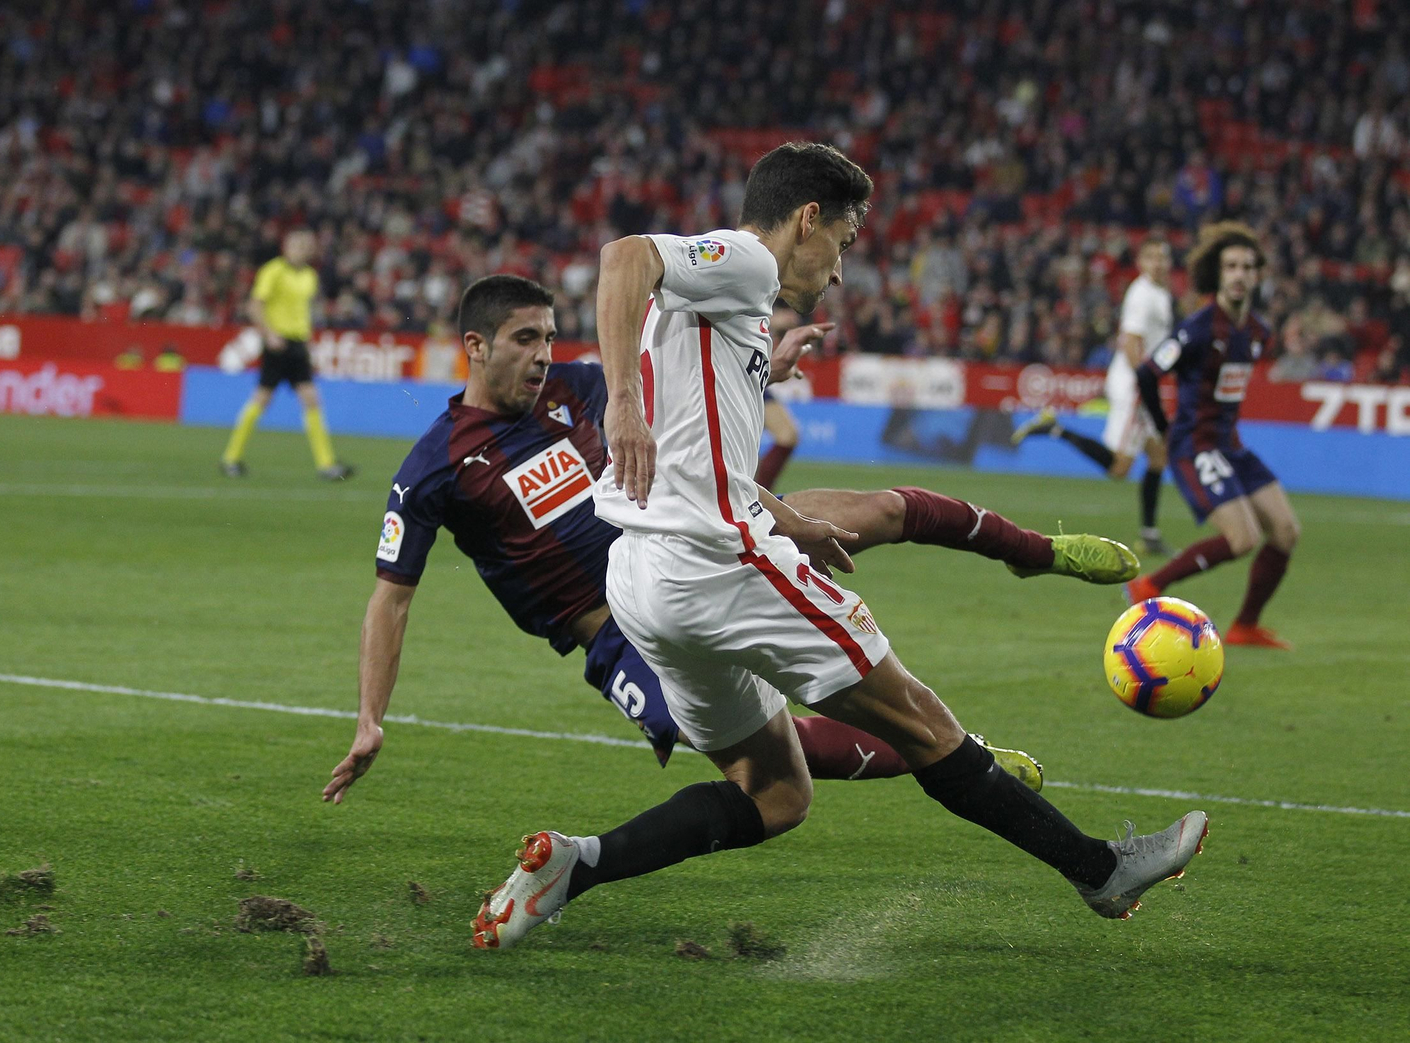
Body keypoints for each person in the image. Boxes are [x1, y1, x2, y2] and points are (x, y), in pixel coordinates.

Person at [472, 142, 1205, 951]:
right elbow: (622, 257)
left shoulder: (726, 309)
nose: (842, 270)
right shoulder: (748, 260)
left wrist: (786, 508)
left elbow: (703, 452)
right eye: (845, 243)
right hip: (716, 570)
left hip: (641, 583)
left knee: (776, 792)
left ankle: (576, 866)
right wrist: (621, 407)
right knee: (925, 726)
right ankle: (1100, 870)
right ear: (807, 219)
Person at [323, 273, 1141, 810]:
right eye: (524, 341)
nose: (544, 357)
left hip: (702, 529)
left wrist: (764, 368)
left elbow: (684, 407)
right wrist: (370, 719)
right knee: (778, 761)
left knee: (884, 510)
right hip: (615, 630)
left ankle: (1038, 554)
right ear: (475, 348)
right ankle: (963, 755)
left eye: (548, 336)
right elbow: (390, 600)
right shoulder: (435, 466)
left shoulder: (581, 388)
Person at [1126, 222, 1299, 649]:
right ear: (1218, 275)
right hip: (1194, 445)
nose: (1239, 274)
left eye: (1247, 266)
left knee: (1287, 531)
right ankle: (1149, 584)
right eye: (1231, 266)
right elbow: (1148, 373)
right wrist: (1165, 430)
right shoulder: (1199, 328)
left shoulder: (1257, 332)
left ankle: (1245, 626)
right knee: (1243, 539)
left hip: (1231, 445)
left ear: (1257, 274)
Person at [1011, 238, 1178, 554]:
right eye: (1152, 257)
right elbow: (1130, 344)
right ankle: (1054, 428)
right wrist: (1145, 385)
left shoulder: (1160, 293)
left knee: (1158, 455)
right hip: (1135, 386)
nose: (1159, 263)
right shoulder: (1143, 295)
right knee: (1119, 469)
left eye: (1163, 257)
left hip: (1142, 383)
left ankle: (1151, 534)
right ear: (1141, 262)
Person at [220, 228, 354, 480]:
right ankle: (230, 457)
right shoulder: (273, 271)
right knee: (262, 399)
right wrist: (268, 334)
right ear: (286, 247)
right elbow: (254, 305)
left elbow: (303, 311)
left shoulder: (310, 277)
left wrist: (307, 339)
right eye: (297, 245)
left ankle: (326, 464)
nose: (301, 250)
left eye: (305, 246)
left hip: (298, 344)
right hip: (276, 343)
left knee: (311, 398)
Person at [755, 303, 824, 490]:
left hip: (753, 374)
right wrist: (771, 319)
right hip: (725, 371)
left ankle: (757, 499)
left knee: (787, 435)